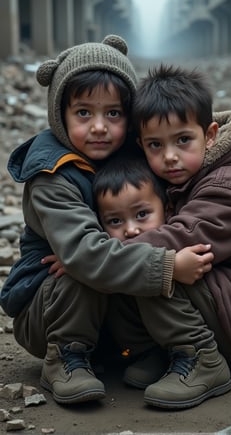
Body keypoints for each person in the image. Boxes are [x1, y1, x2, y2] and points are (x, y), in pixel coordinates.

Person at [0, 37, 213, 407]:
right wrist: (164, 265)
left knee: (133, 252)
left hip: (107, 302)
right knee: (84, 269)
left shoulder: (137, 154)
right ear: (60, 116)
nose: (99, 127)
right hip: (48, 308)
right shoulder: (52, 176)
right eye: (84, 113)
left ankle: (150, 350)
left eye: (113, 114)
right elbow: (85, 254)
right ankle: (65, 357)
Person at [107, 63, 231, 410]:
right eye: (155, 145)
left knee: (157, 266)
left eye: (183, 140)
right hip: (226, 304)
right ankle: (160, 351)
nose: (170, 157)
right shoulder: (177, 178)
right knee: (141, 260)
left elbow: (180, 238)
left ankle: (203, 361)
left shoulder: (230, 187)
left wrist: (95, 256)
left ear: (209, 135)